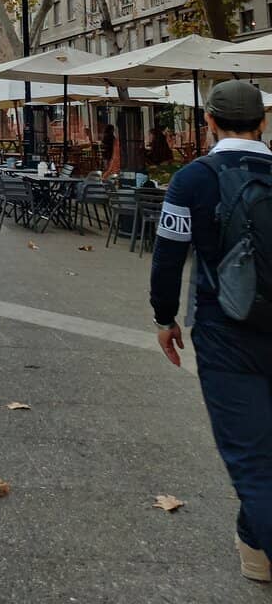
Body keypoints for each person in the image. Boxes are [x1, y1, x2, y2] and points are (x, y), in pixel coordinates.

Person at [151, 81, 272, 583]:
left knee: (250, 457)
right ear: (262, 122)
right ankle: (253, 548)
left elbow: (168, 256)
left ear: (209, 122)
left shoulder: (192, 180)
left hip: (225, 332)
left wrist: (164, 317)